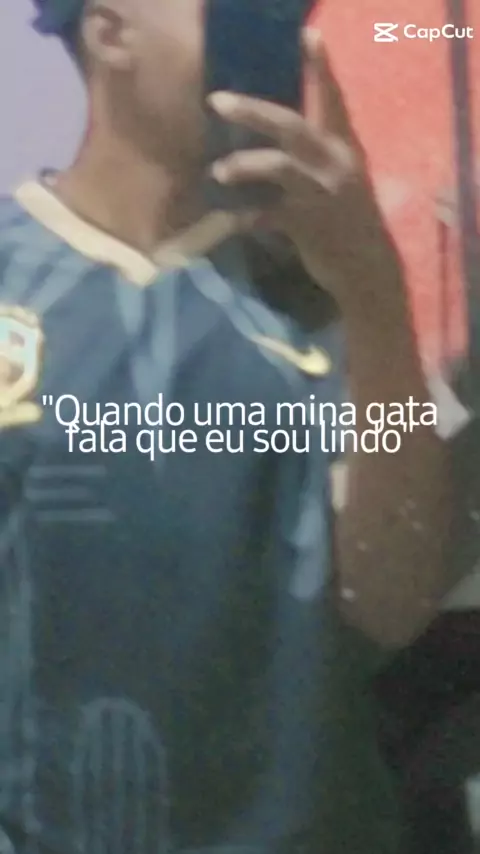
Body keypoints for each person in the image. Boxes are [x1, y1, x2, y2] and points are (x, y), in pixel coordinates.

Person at [0, 1, 451, 853]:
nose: (280, 37)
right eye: (236, 15)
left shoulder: (323, 291)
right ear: (109, 31)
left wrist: (374, 290)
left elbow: (391, 601)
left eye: (285, 18)